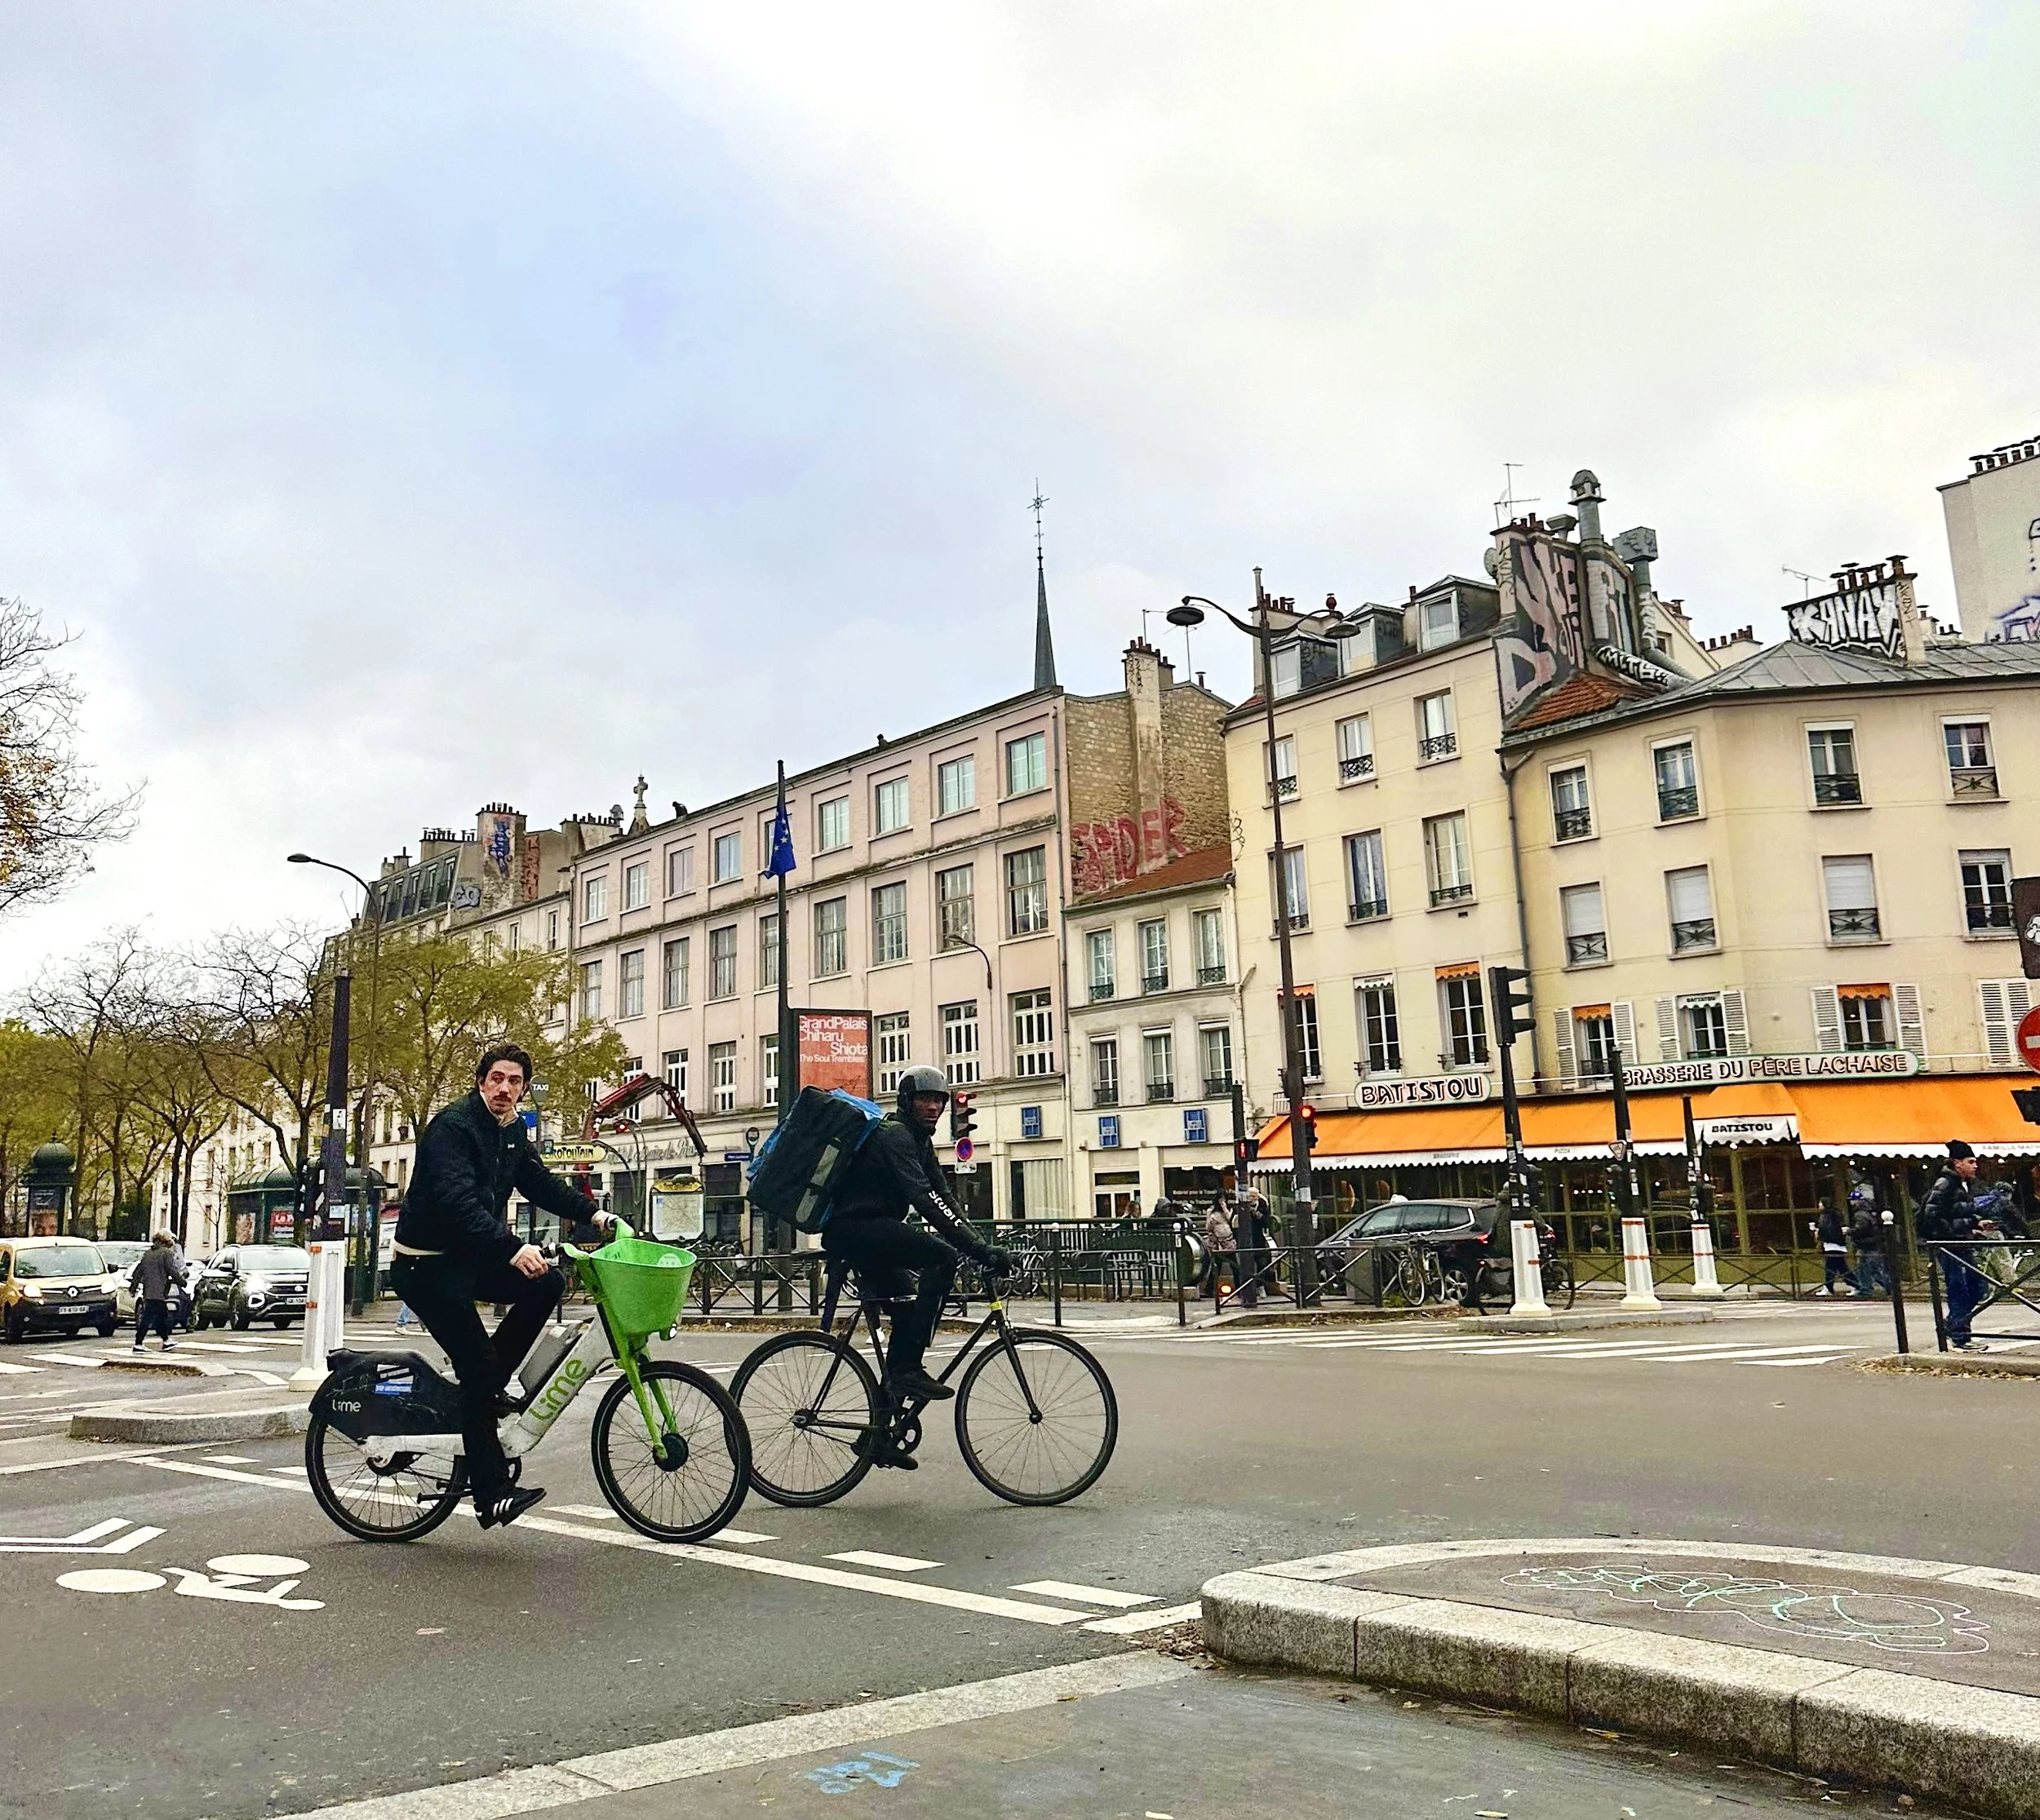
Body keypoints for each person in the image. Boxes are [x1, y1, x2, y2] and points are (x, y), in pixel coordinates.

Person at [390, 1043, 611, 1528]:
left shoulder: (512, 1131)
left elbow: (540, 1183)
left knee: (546, 1284)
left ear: (524, 1089)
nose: (504, 1089)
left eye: (514, 1081)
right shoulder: (452, 1128)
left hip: (469, 1259)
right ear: (480, 1082)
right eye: (496, 1079)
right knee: (478, 1365)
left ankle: (487, 1390)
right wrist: (513, 1248)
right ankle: (490, 1494)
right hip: (426, 1266)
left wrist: (593, 1213)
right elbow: (458, 1203)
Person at [822, 1065, 1010, 1421]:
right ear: (907, 1101)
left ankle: (880, 1432)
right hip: (854, 1229)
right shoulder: (895, 1136)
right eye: (924, 1099)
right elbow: (925, 1200)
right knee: (941, 1256)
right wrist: (976, 1250)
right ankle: (908, 1369)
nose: (933, 1107)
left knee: (908, 1310)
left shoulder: (919, 1142)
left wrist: (981, 1244)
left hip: (873, 1230)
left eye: (939, 1100)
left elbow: (946, 1198)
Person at [1917, 1139, 1989, 1352]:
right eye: (1971, 1161)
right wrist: (1950, 1236)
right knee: (1959, 1288)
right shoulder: (1946, 1183)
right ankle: (1959, 1335)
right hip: (1951, 1245)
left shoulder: (1961, 1184)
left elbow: (1956, 1212)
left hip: (1961, 1243)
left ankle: (1954, 1325)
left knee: (1977, 1287)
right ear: (1958, 1163)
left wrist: (1975, 1222)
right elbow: (1933, 1214)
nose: (1975, 1166)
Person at [129, 1232, 187, 1353]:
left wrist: (133, 1287)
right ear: (166, 1240)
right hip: (158, 1291)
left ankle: (165, 1341)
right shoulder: (166, 1253)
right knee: (151, 1317)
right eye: (171, 1239)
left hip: (149, 1291)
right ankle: (139, 1343)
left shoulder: (148, 1253)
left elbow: (138, 1272)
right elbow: (172, 1270)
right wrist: (182, 1282)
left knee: (159, 1317)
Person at [1847, 1185, 1889, 1298]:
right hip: (1871, 1244)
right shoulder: (1867, 1212)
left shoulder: (1860, 1214)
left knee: (1871, 1269)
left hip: (1868, 1245)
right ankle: (1867, 1288)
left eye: (1852, 1200)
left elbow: (1861, 1229)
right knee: (1867, 1268)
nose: (1850, 1203)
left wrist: (1850, 1231)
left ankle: (1888, 1286)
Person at [1813, 1199, 1856, 1297]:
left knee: (1831, 1268)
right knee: (1841, 1268)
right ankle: (1855, 1285)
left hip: (1832, 1245)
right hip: (1837, 1245)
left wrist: (1819, 1233)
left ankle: (1829, 1288)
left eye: (1820, 1203)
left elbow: (1827, 1230)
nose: (1819, 1205)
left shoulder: (1827, 1216)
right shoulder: (1835, 1214)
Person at [1202, 1196, 1238, 1300]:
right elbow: (1208, 1227)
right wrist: (1212, 1222)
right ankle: (1210, 1289)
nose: (1222, 1202)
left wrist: (1225, 1209)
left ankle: (1239, 1287)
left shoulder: (1228, 1210)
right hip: (1218, 1242)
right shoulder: (1211, 1211)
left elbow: (1231, 1221)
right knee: (1217, 1266)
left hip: (1228, 1241)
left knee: (1234, 1265)